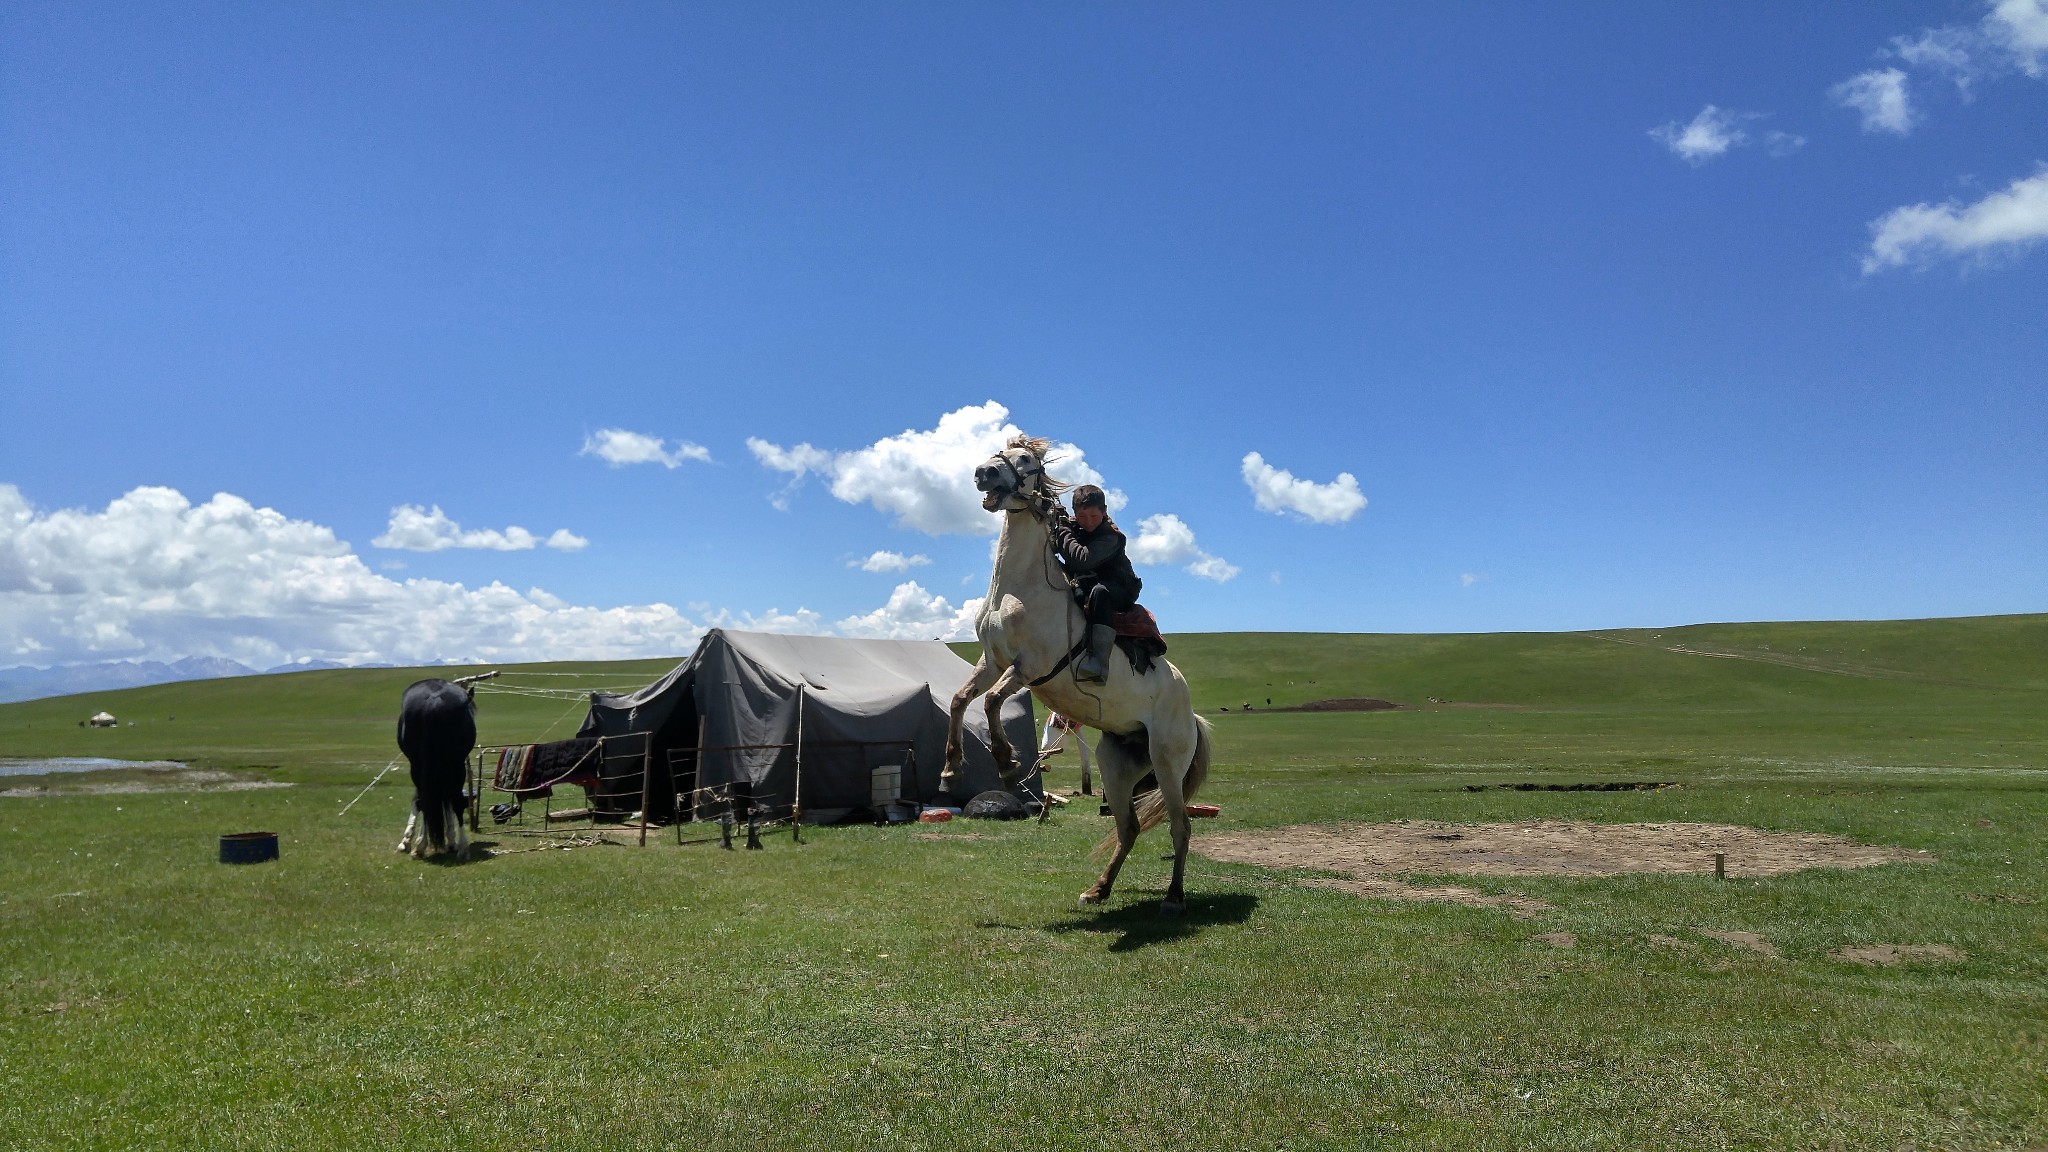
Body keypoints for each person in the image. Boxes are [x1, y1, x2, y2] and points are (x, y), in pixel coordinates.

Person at [1047, 484, 1142, 684]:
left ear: (1104, 511)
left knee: (1100, 593)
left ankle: (1099, 663)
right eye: (1082, 516)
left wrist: (1063, 528)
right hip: (1086, 585)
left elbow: (1081, 559)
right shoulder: (1073, 528)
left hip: (1119, 589)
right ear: (1075, 513)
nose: (1088, 522)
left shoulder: (1111, 536)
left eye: (1094, 516)